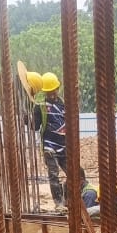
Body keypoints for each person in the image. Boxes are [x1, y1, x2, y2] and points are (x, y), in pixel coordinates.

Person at [33, 72, 68, 208]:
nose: (52, 95)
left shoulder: (63, 104)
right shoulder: (40, 106)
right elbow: (35, 126)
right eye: (49, 93)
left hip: (64, 145)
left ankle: (68, 199)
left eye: (54, 92)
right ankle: (59, 203)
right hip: (49, 146)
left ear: (58, 89)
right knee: (53, 174)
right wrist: (30, 119)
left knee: (74, 173)